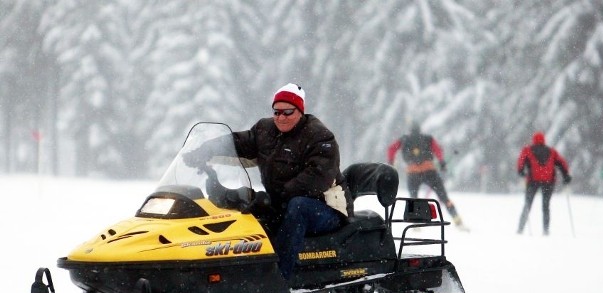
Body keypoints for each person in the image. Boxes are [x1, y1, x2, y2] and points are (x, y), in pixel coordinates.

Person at [184, 83, 353, 280]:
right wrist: (204, 151)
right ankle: (236, 278)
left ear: (300, 111)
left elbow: (317, 178)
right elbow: (238, 143)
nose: (281, 117)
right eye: (277, 112)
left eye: (288, 112)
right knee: (246, 211)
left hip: (327, 208)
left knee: (298, 207)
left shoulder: (319, 137)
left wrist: (277, 197)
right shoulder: (265, 130)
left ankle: (278, 279)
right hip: (283, 202)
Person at [387, 123, 467, 230]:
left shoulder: (403, 139)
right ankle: (457, 220)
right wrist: (441, 161)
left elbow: (391, 149)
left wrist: (391, 162)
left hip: (412, 172)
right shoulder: (428, 138)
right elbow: (438, 150)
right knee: (443, 197)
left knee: (413, 199)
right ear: (420, 130)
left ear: (410, 130)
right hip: (429, 171)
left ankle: (415, 224)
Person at [516, 131, 571, 235]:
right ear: (543, 140)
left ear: (534, 140)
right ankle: (545, 230)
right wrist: (566, 176)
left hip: (533, 181)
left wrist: (521, 171)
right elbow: (561, 163)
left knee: (528, 204)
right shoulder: (551, 151)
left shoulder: (527, 150)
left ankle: (520, 228)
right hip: (548, 182)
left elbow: (521, 161)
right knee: (546, 206)